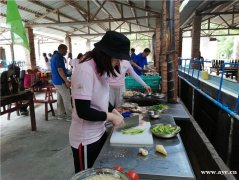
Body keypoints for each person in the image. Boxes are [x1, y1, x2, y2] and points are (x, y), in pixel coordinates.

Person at [69, 31, 128, 173]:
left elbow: (101, 100)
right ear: (106, 54)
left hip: (100, 132)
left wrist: (114, 111)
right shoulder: (85, 70)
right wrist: (112, 117)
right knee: (87, 175)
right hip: (86, 139)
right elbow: (84, 111)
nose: (118, 63)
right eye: (117, 59)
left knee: (100, 174)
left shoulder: (102, 69)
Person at [50, 44, 72, 121]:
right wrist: (66, 81)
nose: (66, 52)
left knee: (60, 98)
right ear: (61, 50)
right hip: (60, 81)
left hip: (56, 81)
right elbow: (60, 70)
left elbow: (61, 69)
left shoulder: (54, 56)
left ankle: (60, 115)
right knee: (67, 98)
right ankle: (70, 116)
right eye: (65, 50)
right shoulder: (58, 57)